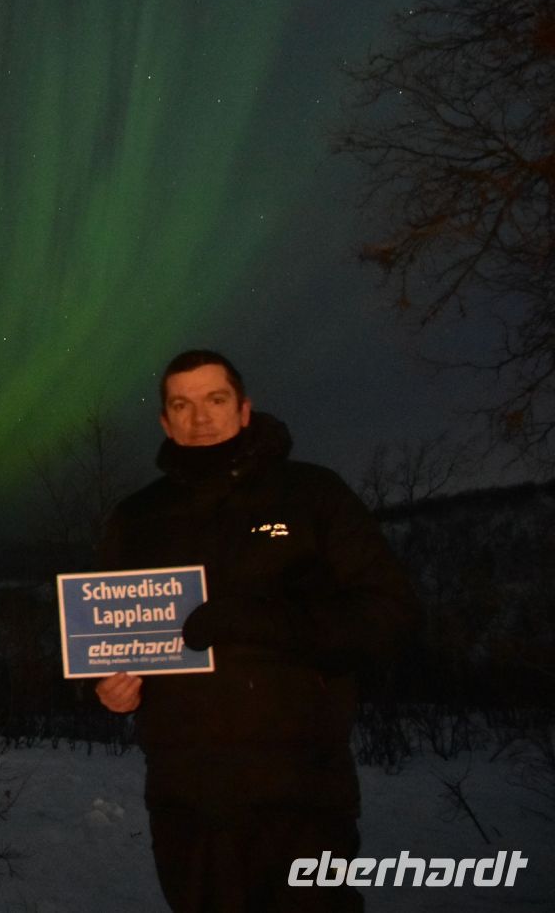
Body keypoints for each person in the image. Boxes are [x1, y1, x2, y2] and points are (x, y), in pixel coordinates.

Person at [95, 349, 417, 913]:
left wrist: (264, 622)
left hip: (302, 792)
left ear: (244, 410)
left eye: (215, 400)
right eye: (182, 405)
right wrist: (105, 688)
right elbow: (102, 636)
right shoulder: (137, 518)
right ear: (166, 422)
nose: (200, 418)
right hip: (187, 798)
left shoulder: (314, 495)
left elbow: (388, 616)